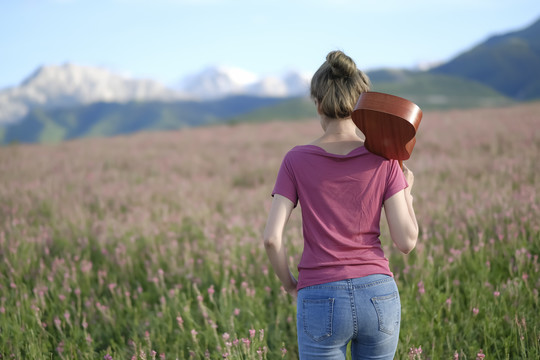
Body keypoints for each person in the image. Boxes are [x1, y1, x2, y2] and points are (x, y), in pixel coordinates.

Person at [263, 50, 418, 360]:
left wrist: (290, 285)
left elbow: (271, 239)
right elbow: (406, 241)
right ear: (360, 103)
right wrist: (408, 194)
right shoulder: (384, 159)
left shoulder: (295, 159)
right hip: (379, 293)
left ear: (318, 104)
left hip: (320, 295)